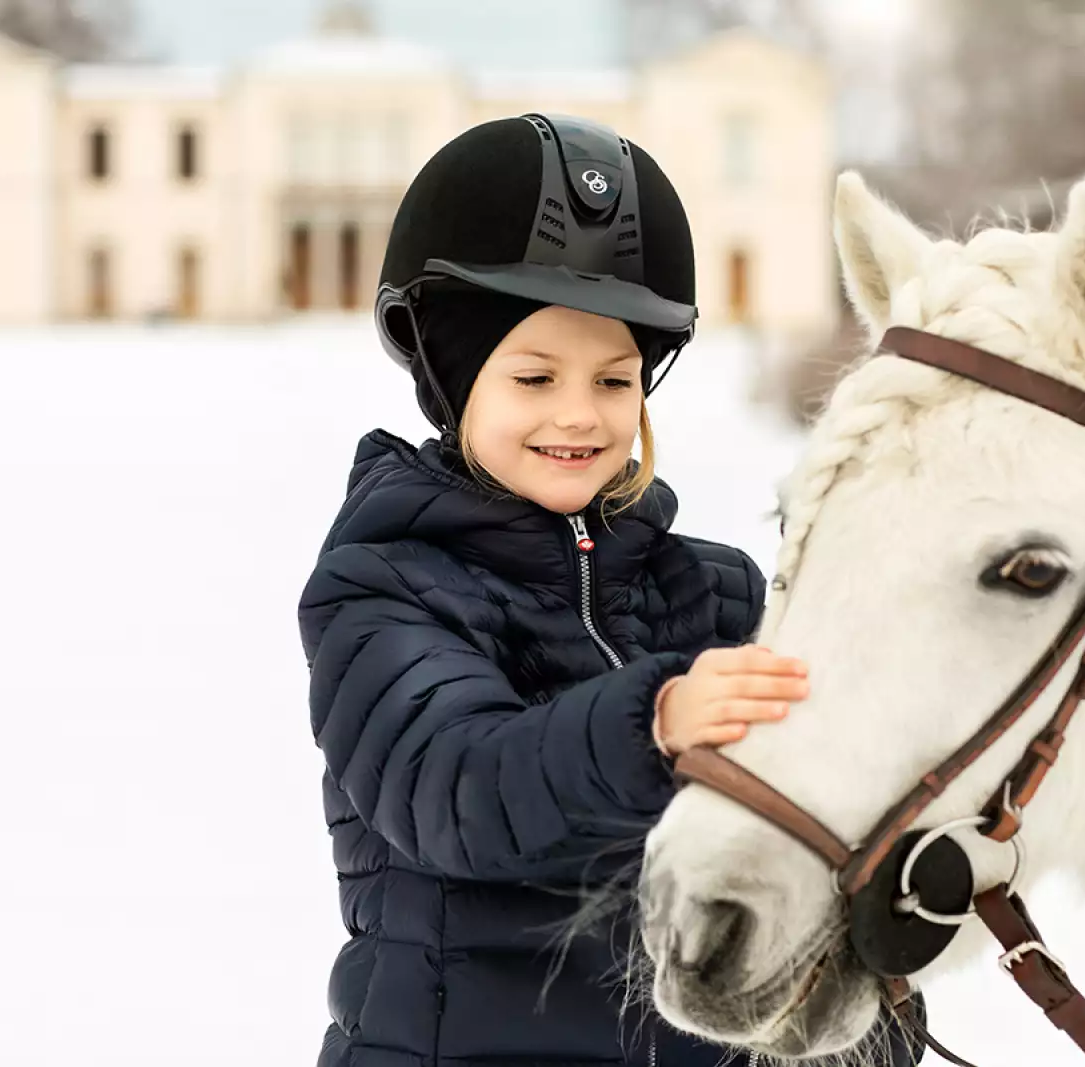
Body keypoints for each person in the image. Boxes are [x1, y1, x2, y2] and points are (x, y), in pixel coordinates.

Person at [297, 113, 923, 1067]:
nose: (580, 415)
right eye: (535, 376)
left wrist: (864, 1002)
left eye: (615, 379)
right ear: (453, 378)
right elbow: (460, 791)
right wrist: (657, 722)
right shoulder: (383, 588)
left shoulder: (716, 593)